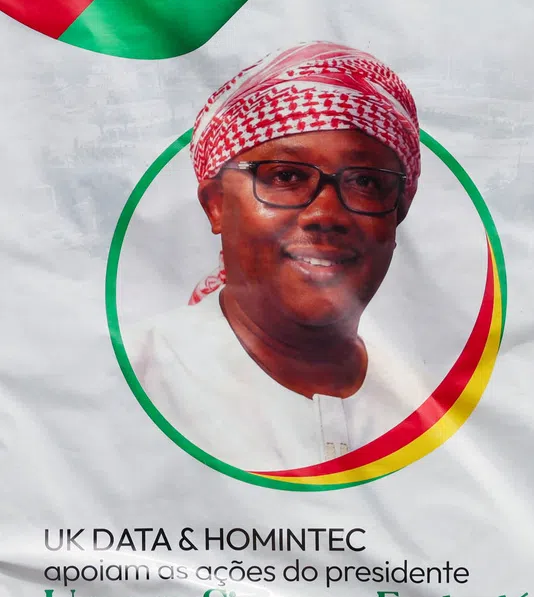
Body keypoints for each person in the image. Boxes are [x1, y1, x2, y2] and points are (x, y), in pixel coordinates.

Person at [132, 41, 426, 472]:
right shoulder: (129, 380)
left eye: (365, 182)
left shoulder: (436, 407)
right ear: (216, 205)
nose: (326, 214)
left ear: (397, 215)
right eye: (285, 176)